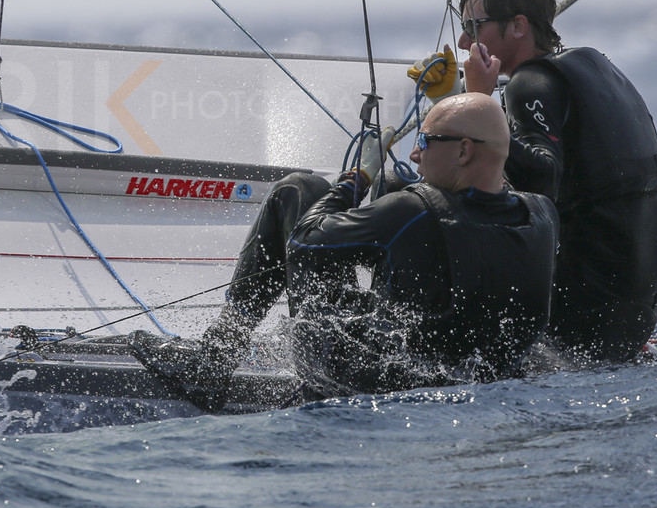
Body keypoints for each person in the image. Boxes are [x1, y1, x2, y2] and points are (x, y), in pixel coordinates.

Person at [132, 93, 557, 407]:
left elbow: (304, 242)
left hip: (366, 385)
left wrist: (356, 178)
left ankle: (214, 361)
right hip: (479, 385)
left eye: (425, 142)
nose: (414, 152)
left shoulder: (411, 212)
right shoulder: (542, 215)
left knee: (301, 190)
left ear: (464, 150)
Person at [457, 0, 657, 362]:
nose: (462, 40)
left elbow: (542, 178)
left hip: (593, 292)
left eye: (474, 27)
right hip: (640, 287)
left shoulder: (528, 83)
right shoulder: (597, 66)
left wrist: (480, 103)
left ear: (518, 25)